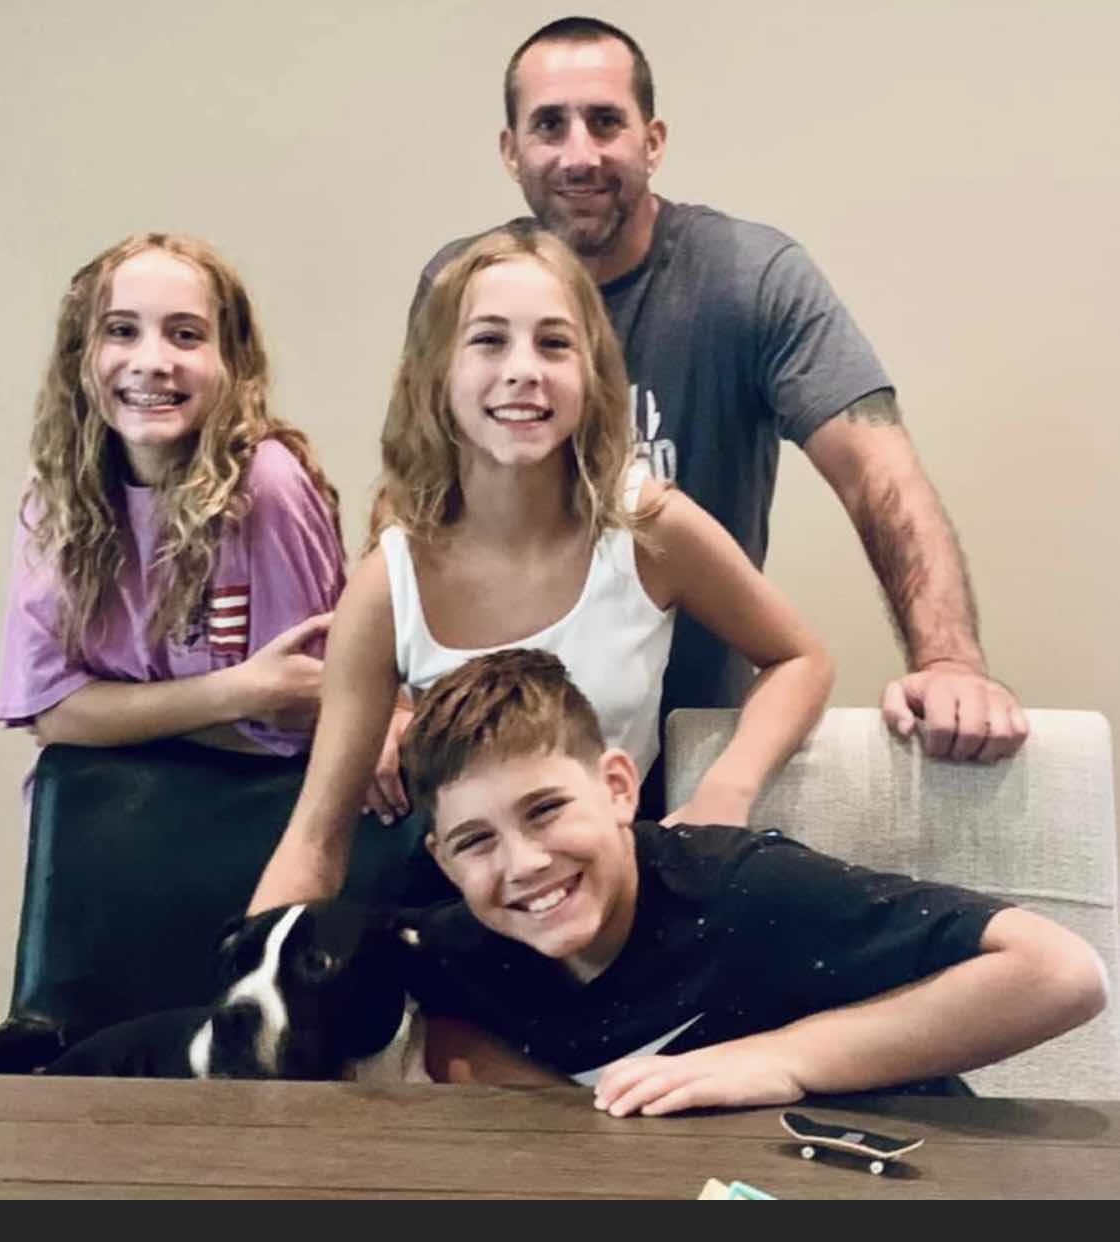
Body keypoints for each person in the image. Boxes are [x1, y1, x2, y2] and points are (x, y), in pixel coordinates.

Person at [412, 16, 1028, 792]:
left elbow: (878, 473)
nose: (579, 154)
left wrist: (948, 661)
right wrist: (391, 699)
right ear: (511, 150)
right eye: (549, 125)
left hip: (691, 747)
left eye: (605, 122)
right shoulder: (461, 287)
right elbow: (421, 490)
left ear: (653, 141)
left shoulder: (747, 279)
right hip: (491, 768)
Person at [247, 224, 832, 913]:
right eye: (489, 340)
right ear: (438, 373)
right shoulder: (387, 584)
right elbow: (315, 842)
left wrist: (723, 794)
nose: (524, 369)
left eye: (554, 343)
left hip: (619, 893)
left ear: (592, 375)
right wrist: (249, 971)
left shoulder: (646, 528)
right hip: (468, 909)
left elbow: (801, 659)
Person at [400, 648, 1105, 1114]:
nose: (523, 864)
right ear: (443, 861)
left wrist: (781, 1059)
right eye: (476, 841)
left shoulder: (744, 888)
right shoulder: (454, 950)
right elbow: (445, 1034)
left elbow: (1061, 973)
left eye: (546, 810)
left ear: (617, 787)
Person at [0, 233, 345, 763]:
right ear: (80, 354)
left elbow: (297, 716)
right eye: (121, 331)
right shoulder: (56, 489)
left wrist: (112, 715)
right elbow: (51, 713)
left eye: (186, 335)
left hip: (248, 805)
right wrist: (235, 692)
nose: (152, 361)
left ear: (231, 361)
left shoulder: (265, 485)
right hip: (96, 809)